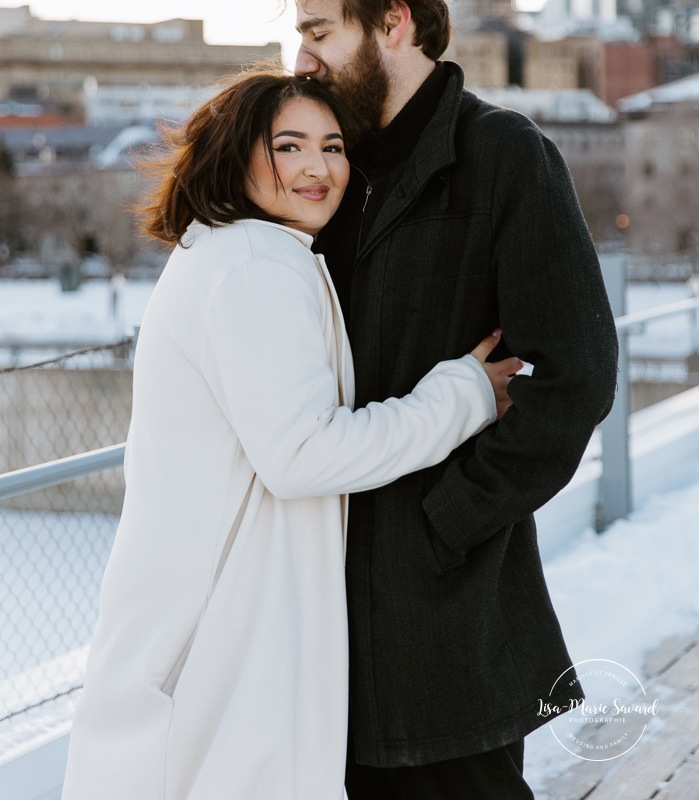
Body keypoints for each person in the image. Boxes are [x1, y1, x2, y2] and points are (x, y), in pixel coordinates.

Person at [61, 68, 522, 800]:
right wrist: (461, 394)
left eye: (333, 146)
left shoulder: (230, 252)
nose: (317, 167)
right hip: (229, 621)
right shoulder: (253, 264)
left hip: (214, 605)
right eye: (289, 145)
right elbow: (303, 454)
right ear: (236, 154)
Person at [278, 0, 619, 799]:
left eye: (319, 32)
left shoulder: (504, 156)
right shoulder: (333, 172)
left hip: (451, 613)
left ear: (392, 23)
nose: (303, 59)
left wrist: (446, 522)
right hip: (322, 604)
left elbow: (575, 375)